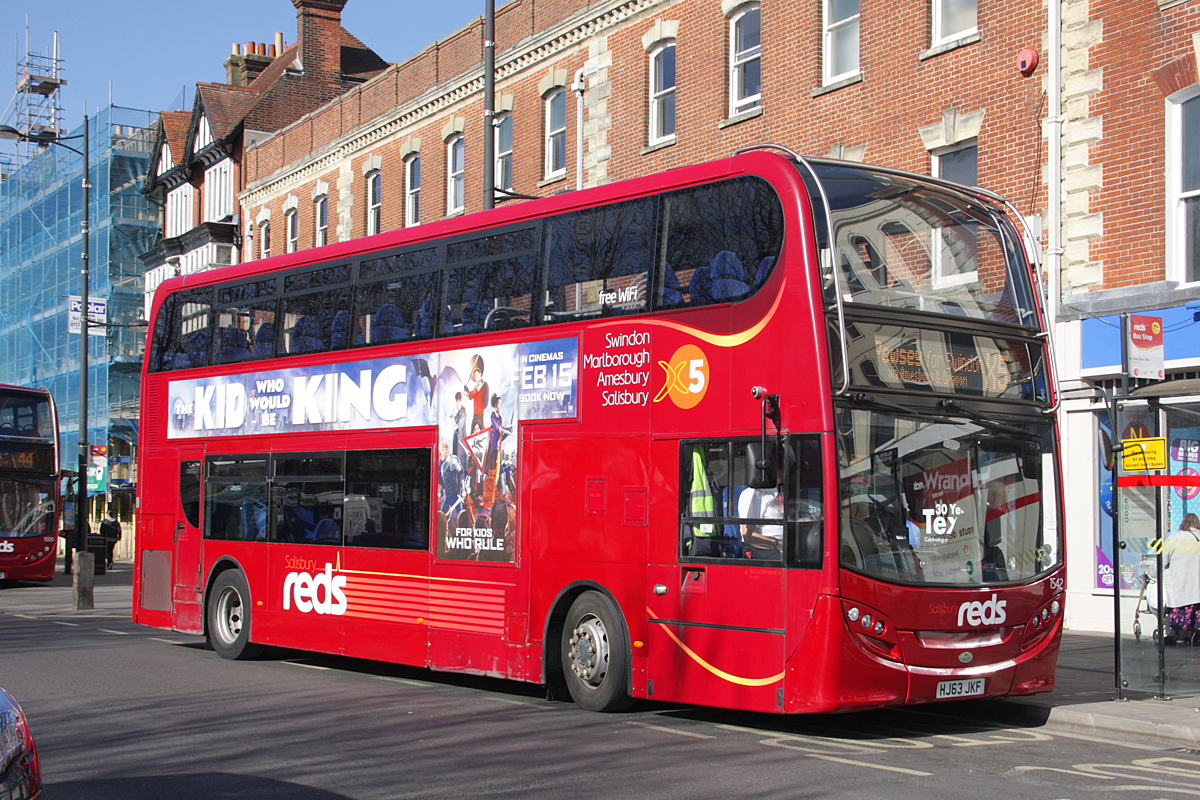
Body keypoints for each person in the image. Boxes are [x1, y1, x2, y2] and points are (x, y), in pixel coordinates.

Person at [1165, 513, 1200, 645]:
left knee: (1179, 607)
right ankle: (1195, 634)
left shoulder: (1175, 537)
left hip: (1180, 583)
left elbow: (1163, 559)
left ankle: (1175, 633)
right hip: (1197, 586)